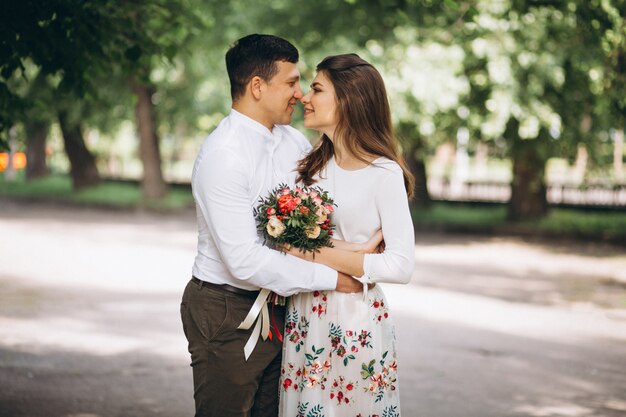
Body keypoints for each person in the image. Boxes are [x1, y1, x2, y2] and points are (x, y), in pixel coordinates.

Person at [180, 35, 363, 417]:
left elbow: (327, 212)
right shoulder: (223, 156)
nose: (300, 94)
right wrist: (336, 279)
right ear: (257, 87)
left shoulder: (293, 142)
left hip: (286, 306)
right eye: (292, 82)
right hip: (228, 311)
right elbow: (244, 261)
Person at [278, 54, 415, 417]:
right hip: (307, 315)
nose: (305, 97)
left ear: (348, 100)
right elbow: (281, 241)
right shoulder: (310, 169)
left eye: (317, 89)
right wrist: (355, 251)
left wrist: (309, 246)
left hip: (356, 321)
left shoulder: (384, 174)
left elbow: (400, 265)